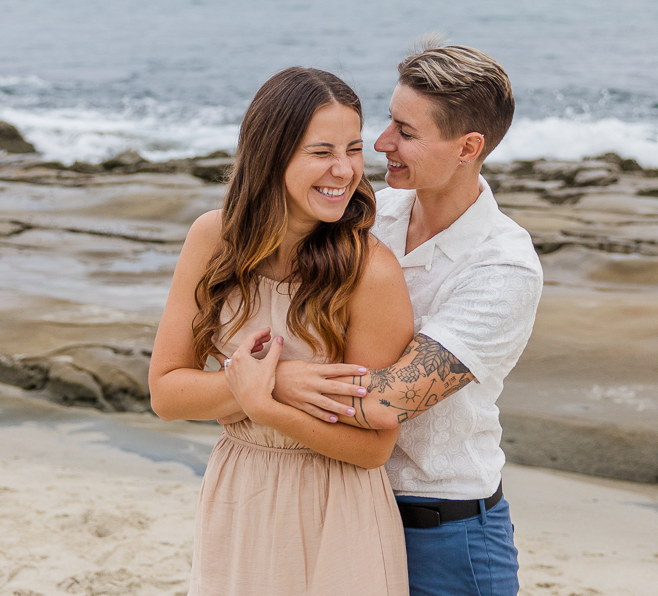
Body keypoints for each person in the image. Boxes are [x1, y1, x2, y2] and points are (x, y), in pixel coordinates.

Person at [274, 41, 544, 596]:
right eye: (389, 120)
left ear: (469, 146)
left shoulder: (503, 268)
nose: (381, 144)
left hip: (445, 532)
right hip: (343, 499)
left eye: (405, 131)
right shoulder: (373, 217)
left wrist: (267, 381)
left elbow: (381, 402)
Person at [148, 66, 415, 596]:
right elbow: (166, 393)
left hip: (335, 506)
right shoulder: (212, 237)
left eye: (354, 149)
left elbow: (373, 449)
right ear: (271, 153)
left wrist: (265, 399)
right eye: (321, 152)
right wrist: (274, 381)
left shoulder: (370, 270)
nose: (344, 171)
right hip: (236, 493)